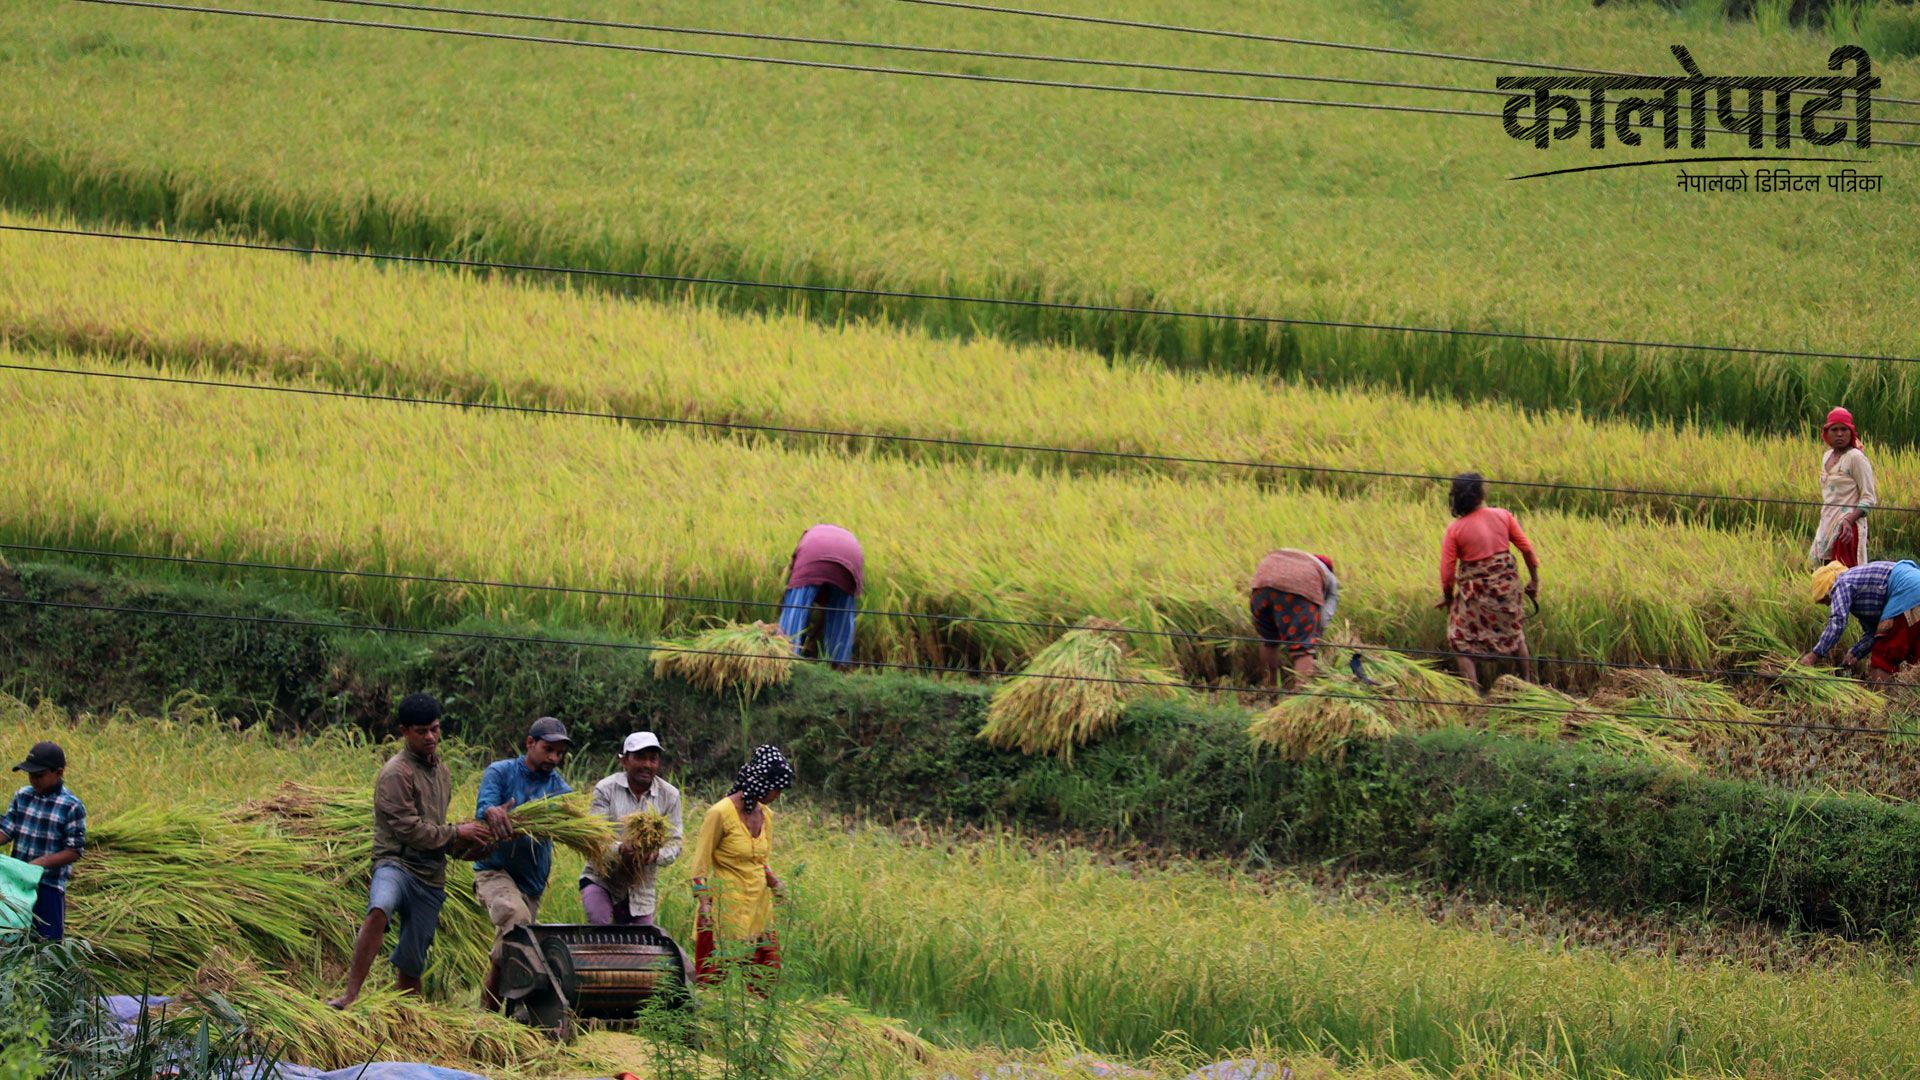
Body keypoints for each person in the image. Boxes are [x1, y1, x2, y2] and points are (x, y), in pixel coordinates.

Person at [330, 694, 493, 1009]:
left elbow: (437, 829)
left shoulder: (442, 773)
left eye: (435, 729)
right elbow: (410, 829)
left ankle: (408, 1015)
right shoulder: (396, 773)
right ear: (404, 731)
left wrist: (475, 843)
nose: (431, 737)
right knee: (380, 908)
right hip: (396, 863)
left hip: (430, 874)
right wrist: (457, 832)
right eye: (422, 731)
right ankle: (350, 995)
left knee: (413, 957)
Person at [474, 715, 573, 1010]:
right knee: (517, 922)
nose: (554, 758)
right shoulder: (501, 772)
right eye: (548, 749)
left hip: (531, 883)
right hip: (494, 871)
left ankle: (489, 1013)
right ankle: (519, 1007)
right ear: (530, 743)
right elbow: (485, 807)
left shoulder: (560, 790)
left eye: (559, 753)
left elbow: (566, 820)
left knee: (511, 946)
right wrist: (493, 812)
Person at [687, 745, 792, 987]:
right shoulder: (720, 813)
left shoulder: (766, 815)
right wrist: (704, 905)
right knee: (713, 983)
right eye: (776, 788)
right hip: (727, 911)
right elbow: (698, 869)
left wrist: (775, 883)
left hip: (760, 909)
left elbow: (760, 861)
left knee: (763, 983)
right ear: (762, 781)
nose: (778, 795)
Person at [1438, 473, 1539, 689]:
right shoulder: (1503, 515)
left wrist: (1448, 598)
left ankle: (1474, 695)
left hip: (1476, 596)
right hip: (1506, 590)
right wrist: (1534, 581)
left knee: (1458, 639)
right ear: (1481, 493)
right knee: (1515, 632)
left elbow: (1447, 573)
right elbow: (1527, 550)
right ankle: (1528, 684)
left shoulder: (1455, 529)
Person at [579, 731, 683, 927]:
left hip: (640, 890)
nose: (647, 764)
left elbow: (675, 843)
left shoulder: (670, 795)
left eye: (652, 759)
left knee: (641, 946)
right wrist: (620, 849)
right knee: (600, 926)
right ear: (624, 761)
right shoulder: (605, 789)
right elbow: (595, 838)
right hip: (602, 879)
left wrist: (654, 855)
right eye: (640, 757)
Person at [0, 741, 86, 943]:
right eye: (30, 775)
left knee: (47, 945)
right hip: (18, 885)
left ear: (59, 772)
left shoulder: (71, 806)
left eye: (39, 776)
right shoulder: (23, 796)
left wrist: (40, 863)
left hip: (49, 885)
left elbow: (74, 850)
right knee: (12, 938)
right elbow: (6, 830)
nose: (33, 781)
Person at [778, 524, 864, 671]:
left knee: (795, 609)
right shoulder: (842, 536)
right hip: (851, 556)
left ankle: (786, 660)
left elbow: (793, 581)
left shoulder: (806, 540)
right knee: (841, 614)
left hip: (813, 554)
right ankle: (839, 666)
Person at [1248, 549, 1339, 687]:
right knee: (1302, 648)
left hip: (1262, 584)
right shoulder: (1330, 579)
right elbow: (1325, 616)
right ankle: (1301, 696)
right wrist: (1312, 637)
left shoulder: (1298, 557)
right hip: (1298, 590)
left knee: (1268, 640)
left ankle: (1269, 689)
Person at [1801, 559, 1895, 675]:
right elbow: (1874, 631)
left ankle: (1879, 693)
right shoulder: (1858, 589)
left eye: (1825, 600)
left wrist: (1813, 655)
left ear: (1829, 588)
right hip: (1912, 585)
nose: (1828, 604)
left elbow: (1838, 622)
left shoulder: (1841, 583)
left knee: (1881, 659)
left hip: (1905, 590)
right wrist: (1855, 653)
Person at [1810, 407, 1877, 569]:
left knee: (1844, 576)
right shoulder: (1827, 456)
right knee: (1822, 574)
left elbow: (1869, 498)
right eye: (1834, 429)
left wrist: (1848, 519)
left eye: (1844, 429)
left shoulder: (1855, 458)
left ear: (1851, 432)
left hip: (1847, 529)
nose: (1839, 434)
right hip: (1826, 522)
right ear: (1827, 432)